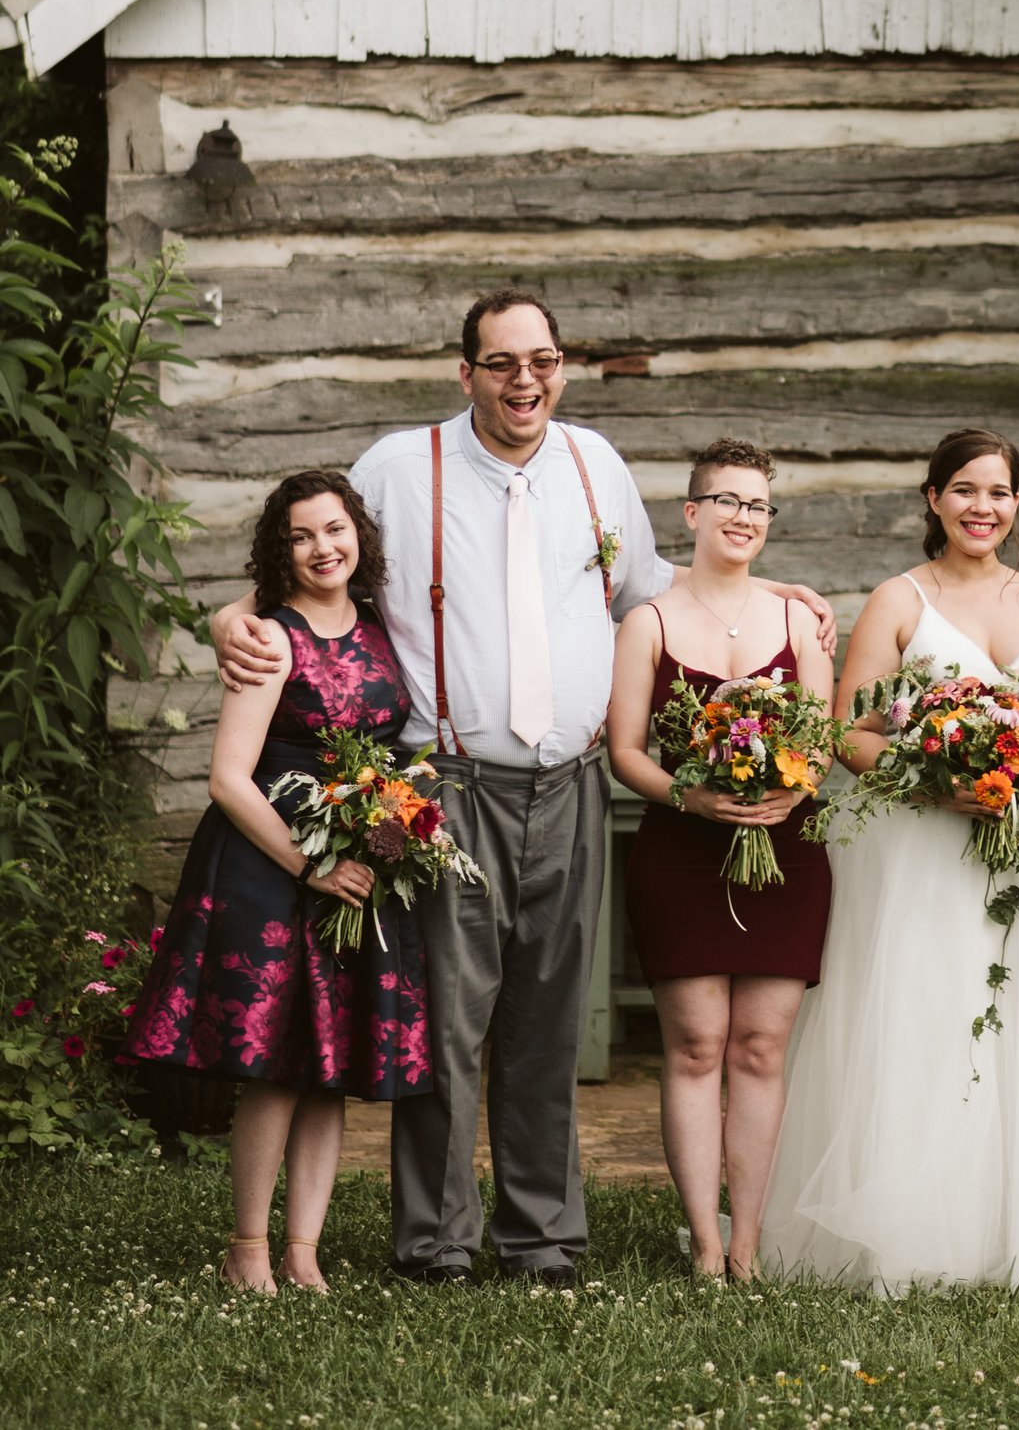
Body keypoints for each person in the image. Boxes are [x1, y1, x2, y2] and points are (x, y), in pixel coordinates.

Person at [209, 289, 837, 1287]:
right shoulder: (398, 469)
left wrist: (771, 591)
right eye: (501, 362)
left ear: (559, 367)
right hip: (448, 782)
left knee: (546, 1017)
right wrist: (225, 618)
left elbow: (647, 589)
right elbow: (304, 560)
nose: (524, 380)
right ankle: (438, 1240)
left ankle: (542, 1238)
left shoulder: (595, 464)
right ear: (466, 373)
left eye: (541, 359)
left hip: (574, 781)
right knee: (452, 1020)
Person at [760, 425, 1019, 1292]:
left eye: (1000, 491)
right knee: (931, 1022)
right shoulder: (902, 600)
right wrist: (933, 781)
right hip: (927, 850)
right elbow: (843, 733)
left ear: (1018, 503)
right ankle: (918, 1234)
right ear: (933, 499)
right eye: (966, 490)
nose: (984, 507)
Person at [123, 471, 428, 1292]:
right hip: (274, 866)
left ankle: (305, 1252)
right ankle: (248, 1250)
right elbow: (228, 778)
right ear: (280, 551)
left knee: (326, 1067)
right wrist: (313, 865)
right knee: (272, 1065)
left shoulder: (380, 629)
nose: (322, 548)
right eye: (301, 536)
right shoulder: (270, 637)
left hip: (356, 866)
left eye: (334, 529)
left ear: (357, 533)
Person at [607, 434, 833, 1284]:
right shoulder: (650, 622)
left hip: (788, 852)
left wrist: (794, 785)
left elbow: (820, 737)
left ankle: (750, 1242)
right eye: (729, 502)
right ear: (693, 512)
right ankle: (704, 1243)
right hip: (682, 851)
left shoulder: (798, 622)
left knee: (761, 1050)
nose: (745, 518)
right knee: (698, 1045)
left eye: (759, 505)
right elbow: (624, 751)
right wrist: (692, 797)